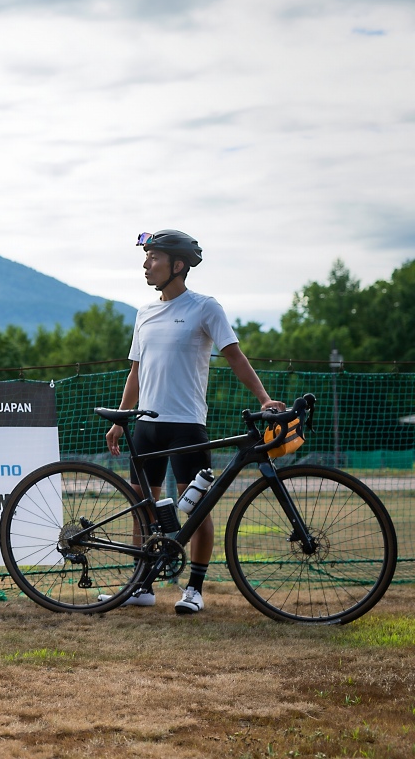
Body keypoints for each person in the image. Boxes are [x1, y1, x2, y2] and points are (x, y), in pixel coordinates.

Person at [104, 231, 283, 615]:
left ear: (178, 265)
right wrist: (121, 416)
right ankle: (142, 585)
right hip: (146, 424)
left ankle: (194, 589)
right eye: (146, 257)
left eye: (153, 257)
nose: (146, 264)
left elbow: (235, 356)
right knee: (142, 507)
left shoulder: (205, 307)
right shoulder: (143, 313)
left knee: (197, 510)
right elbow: (135, 372)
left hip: (187, 424)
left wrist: (265, 399)